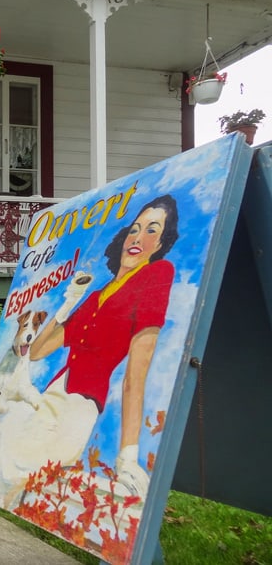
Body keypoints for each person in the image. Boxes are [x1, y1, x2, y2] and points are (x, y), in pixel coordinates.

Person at [28, 194, 179, 497]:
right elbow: (36, 352)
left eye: (152, 230)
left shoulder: (157, 275)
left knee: (26, 468)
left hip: (79, 406)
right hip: (50, 398)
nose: (138, 237)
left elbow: (136, 376)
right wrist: (66, 305)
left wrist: (128, 455)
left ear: (161, 244)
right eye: (135, 228)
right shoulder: (96, 294)